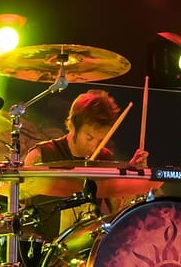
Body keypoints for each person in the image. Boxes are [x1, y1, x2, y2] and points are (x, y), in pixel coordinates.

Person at [18, 89, 151, 237]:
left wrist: (132, 175)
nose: (94, 146)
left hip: (87, 247)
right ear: (72, 126)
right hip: (46, 246)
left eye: (100, 140)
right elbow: (19, 208)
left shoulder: (105, 158)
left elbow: (119, 213)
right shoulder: (42, 155)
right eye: (89, 137)